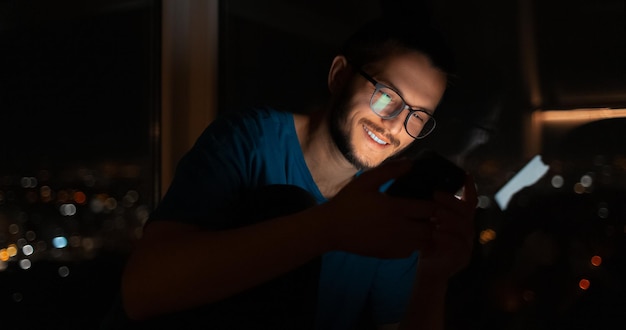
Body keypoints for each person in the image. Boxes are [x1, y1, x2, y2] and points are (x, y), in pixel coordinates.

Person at [102, 17, 478, 330]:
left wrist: (432, 278)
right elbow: (142, 292)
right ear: (340, 76)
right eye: (386, 96)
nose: (394, 125)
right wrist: (329, 228)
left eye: (417, 117)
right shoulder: (250, 140)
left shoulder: (391, 205)